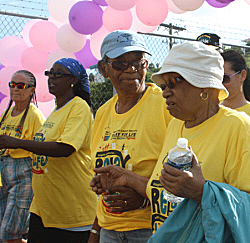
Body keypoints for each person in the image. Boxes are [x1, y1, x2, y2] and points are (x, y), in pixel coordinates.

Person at [90, 41, 250, 241]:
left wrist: (202, 192)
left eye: (173, 83)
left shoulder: (238, 127)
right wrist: (126, 178)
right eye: (163, 85)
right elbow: (165, 192)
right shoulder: (176, 126)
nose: (165, 92)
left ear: (204, 86)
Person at [0, 58, 97, 243]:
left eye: (59, 74)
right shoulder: (57, 110)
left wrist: (17, 143)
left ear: (73, 80)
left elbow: (65, 148)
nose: (52, 77)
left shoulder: (79, 107)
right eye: (50, 73)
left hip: (70, 209)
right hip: (44, 209)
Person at [89, 30, 172, 243]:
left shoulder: (166, 106)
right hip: (109, 230)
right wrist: (96, 231)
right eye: (120, 64)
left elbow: (185, 174)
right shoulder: (102, 113)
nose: (131, 69)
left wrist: (145, 199)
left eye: (138, 62)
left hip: (153, 230)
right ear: (103, 69)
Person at [0, 70, 45, 243]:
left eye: (21, 86)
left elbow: (40, 149)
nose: (15, 89)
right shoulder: (6, 114)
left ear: (32, 91)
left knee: (9, 233)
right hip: (4, 175)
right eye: (12, 85)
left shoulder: (35, 116)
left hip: (24, 174)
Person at [221, 49, 250, 115]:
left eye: (225, 78)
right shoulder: (210, 111)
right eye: (217, 78)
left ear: (242, 75)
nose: (220, 84)